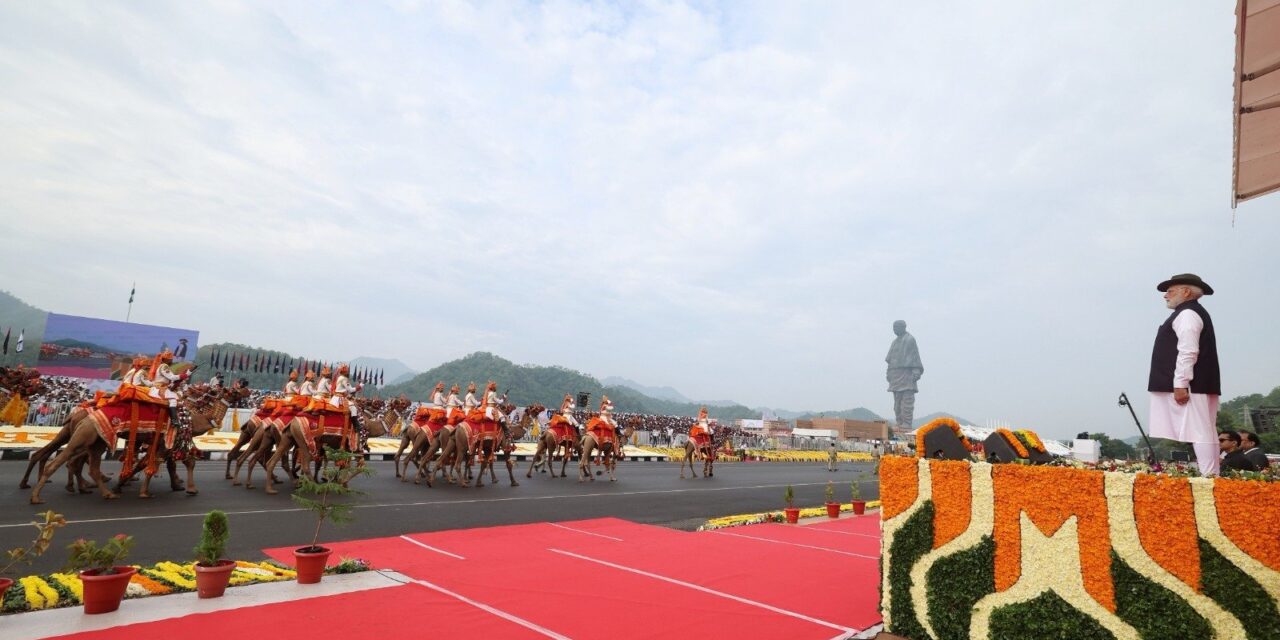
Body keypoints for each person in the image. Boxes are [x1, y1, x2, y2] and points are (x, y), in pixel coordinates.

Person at [1147, 274, 1221, 476]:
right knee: (1206, 430)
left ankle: (1209, 477)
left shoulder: (1187, 314)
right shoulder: (1192, 312)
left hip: (1192, 384)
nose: (1165, 296)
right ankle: (1213, 475)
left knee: (1200, 431)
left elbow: (1188, 350)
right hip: (1200, 382)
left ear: (1186, 292)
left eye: (1170, 291)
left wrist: (1180, 383)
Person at [886, 320, 924, 432]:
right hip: (895, 375)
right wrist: (888, 372)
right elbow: (890, 360)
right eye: (893, 327)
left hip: (907, 374)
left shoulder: (910, 340)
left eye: (896, 327)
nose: (894, 329)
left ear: (903, 327)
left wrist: (916, 371)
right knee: (897, 403)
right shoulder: (894, 342)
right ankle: (899, 422)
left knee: (906, 401)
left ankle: (906, 423)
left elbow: (915, 357)